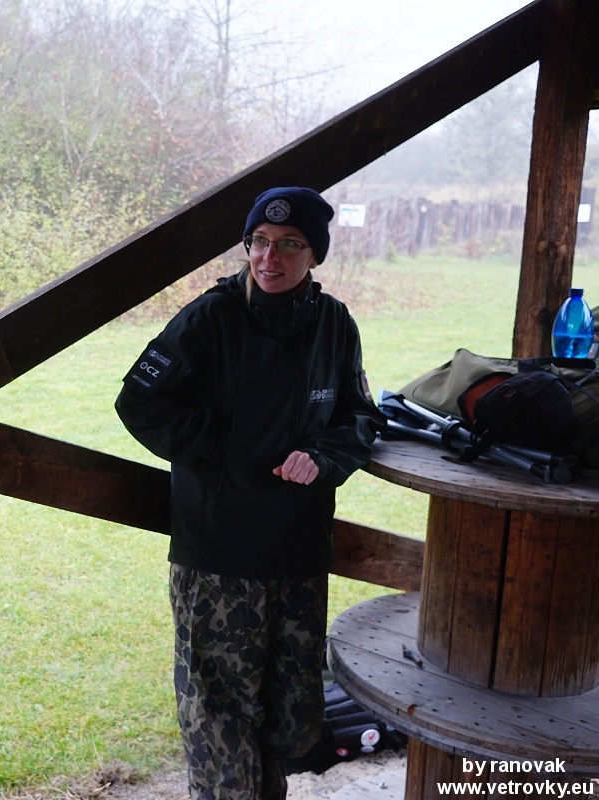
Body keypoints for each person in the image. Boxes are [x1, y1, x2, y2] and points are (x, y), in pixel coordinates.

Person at [114, 187, 383, 800]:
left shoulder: (334, 324)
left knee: (288, 720)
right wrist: (225, 447)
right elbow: (141, 401)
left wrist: (324, 457)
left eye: (289, 244)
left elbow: (361, 418)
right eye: (259, 241)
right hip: (220, 555)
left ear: (315, 255)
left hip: (297, 554)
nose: (269, 257)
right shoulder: (210, 318)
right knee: (220, 726)